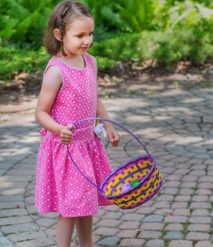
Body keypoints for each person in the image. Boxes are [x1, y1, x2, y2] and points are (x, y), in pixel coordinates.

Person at [34, 1, 120, 246]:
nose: (87, 40)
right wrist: (59, 129)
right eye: (80, 35)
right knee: (71, 207)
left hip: (87, 145)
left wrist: (108, 124)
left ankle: (87, 244)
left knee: (86, 201)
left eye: (90, 34)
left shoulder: (89, 62)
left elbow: (94, 97)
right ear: (59, 35)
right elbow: (41, 112)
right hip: (67, 150)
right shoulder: (56, 71)